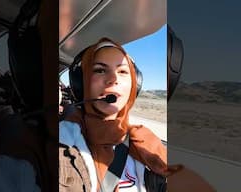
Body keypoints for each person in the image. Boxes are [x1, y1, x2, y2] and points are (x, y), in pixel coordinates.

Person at [59, 37, 168, 192]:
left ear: (134, 86)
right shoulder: (62, 141)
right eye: (100, 70)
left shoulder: (147, 144)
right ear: (81, 83)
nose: (113, 79)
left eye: (123, 71)